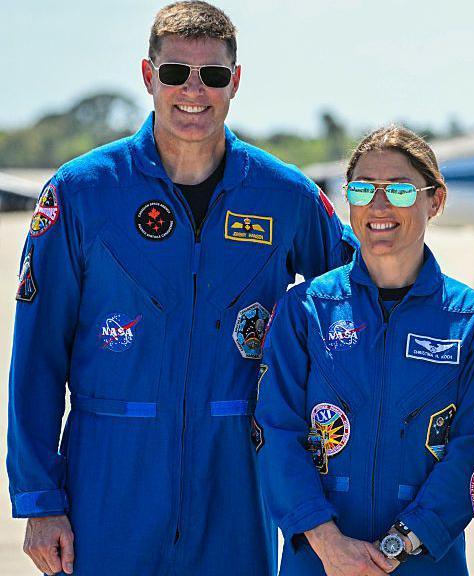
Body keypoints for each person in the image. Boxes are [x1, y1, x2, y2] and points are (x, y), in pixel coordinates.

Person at [8, 2, 355, 574]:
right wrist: (40, 500)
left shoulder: (283, 196)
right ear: (149, 76)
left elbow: (360, 292)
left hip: (235, 478)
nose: (194, 90)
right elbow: (37, 354)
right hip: (108, 475)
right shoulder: (81, 194)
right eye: (175, 72)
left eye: (213, 75)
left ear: (235, 82)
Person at [256, 125, 474, 576]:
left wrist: (398, 546)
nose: (379, 205)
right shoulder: (304, 309)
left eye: (400, 190)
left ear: (436, 200)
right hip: (317, 562)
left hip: (425, 561)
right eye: (363, 188)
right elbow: (275, 432)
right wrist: (329, 545)